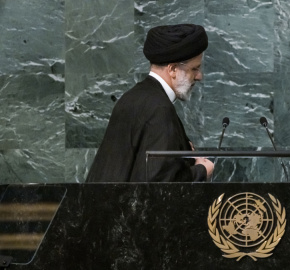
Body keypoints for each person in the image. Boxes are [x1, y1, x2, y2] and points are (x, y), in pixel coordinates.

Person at [86, 24, 214, 182]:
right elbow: (160, 185)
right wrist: (202, 170)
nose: (199, 76)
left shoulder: (132, 97)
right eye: (195, 69)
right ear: (173, 69)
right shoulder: (159, 109)